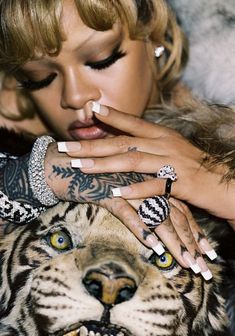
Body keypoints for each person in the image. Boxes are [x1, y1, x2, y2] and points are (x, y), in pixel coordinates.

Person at [0, 0, 232, 280]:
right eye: (39, 77)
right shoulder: (16, 139)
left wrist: (225, 193)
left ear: (154, 38)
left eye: (101, 59)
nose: (73, 96)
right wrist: (34, 174)